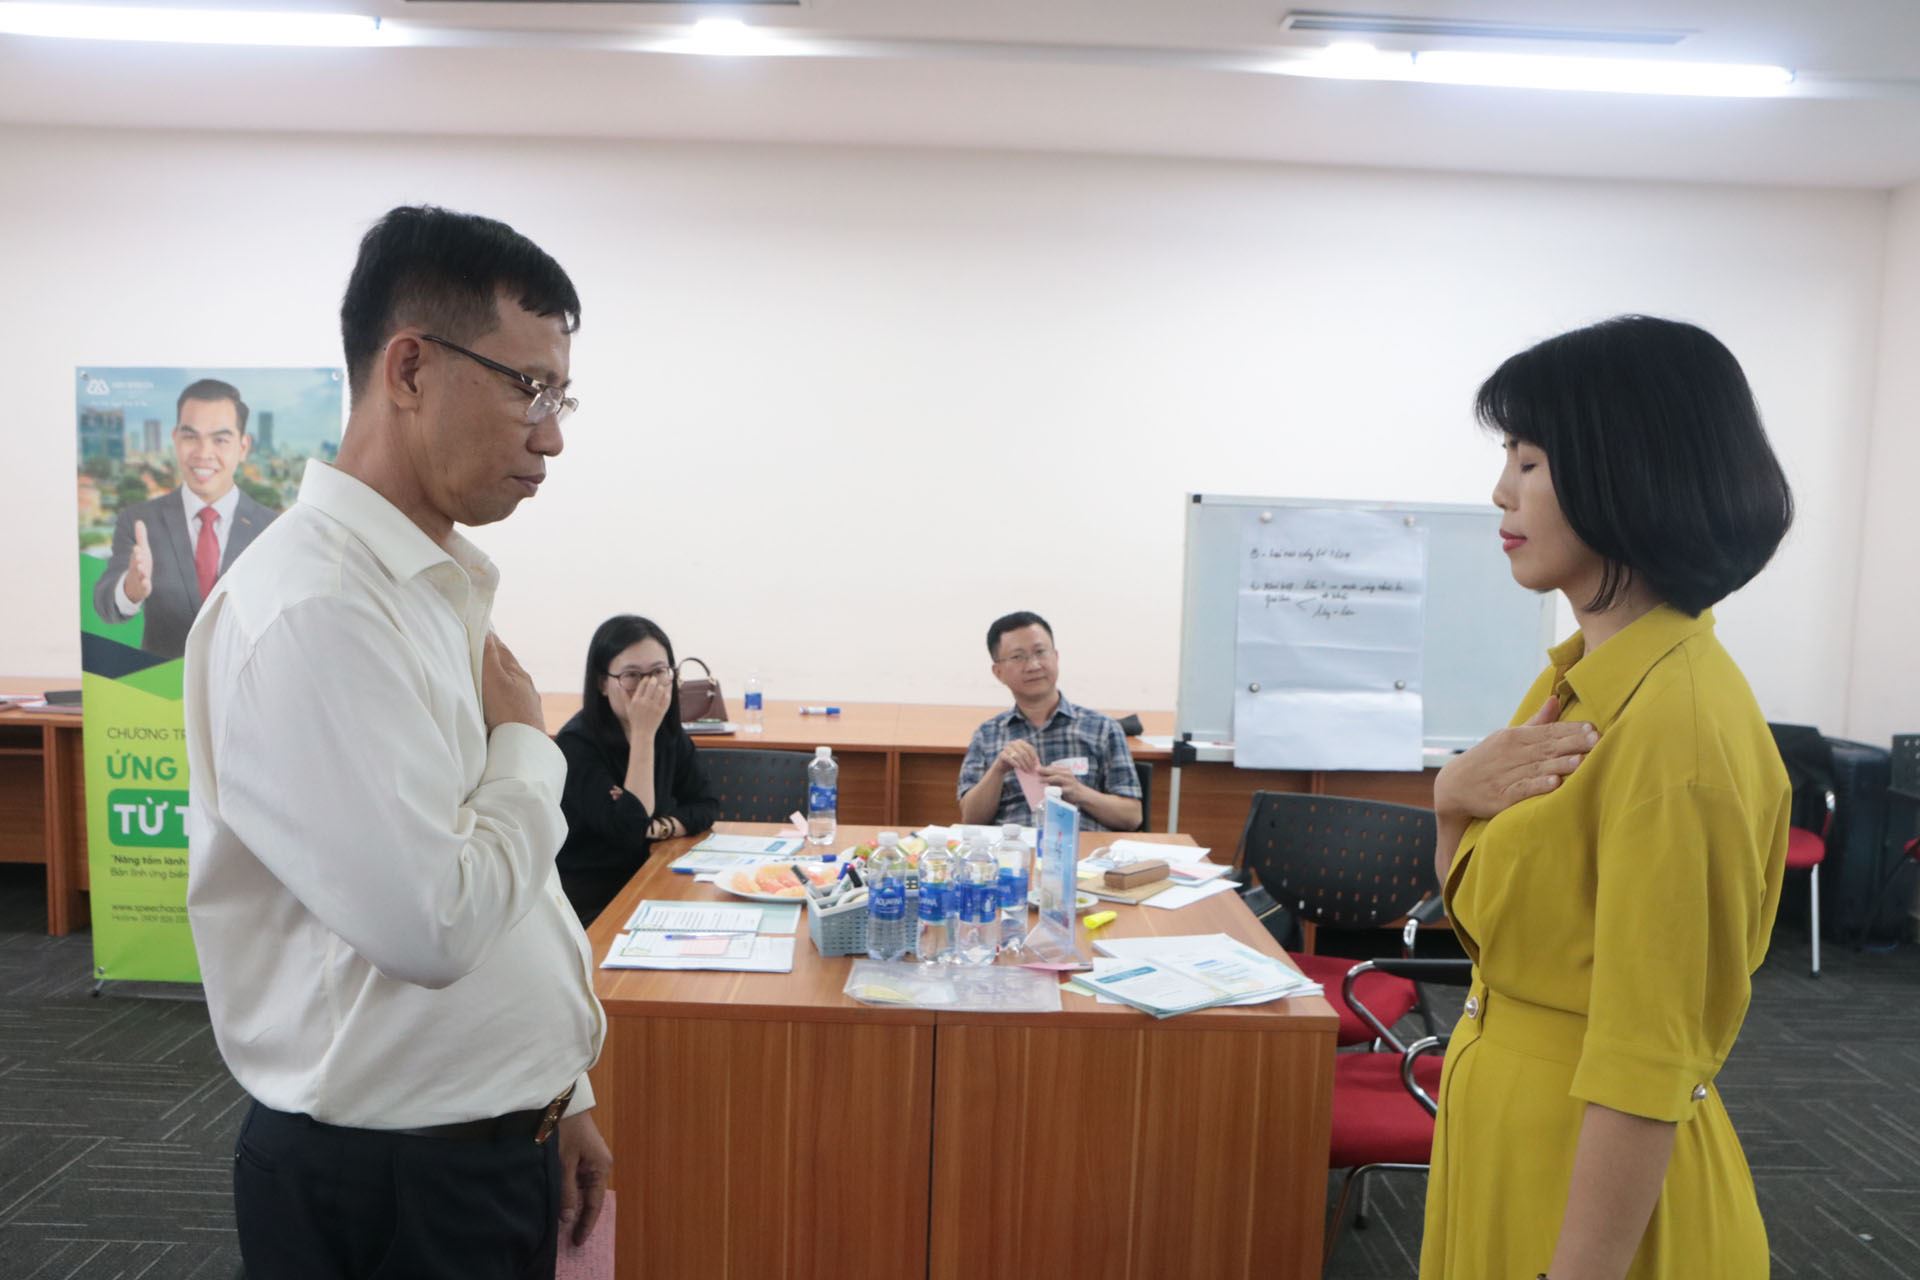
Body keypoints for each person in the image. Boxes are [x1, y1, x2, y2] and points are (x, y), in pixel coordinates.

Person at [182, 205, 610, 1280]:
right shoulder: (316, 610)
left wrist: (560, 1093)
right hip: (392, 1182)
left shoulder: (420, 586)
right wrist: (529, 747)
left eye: (559, 397)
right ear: (410, 369)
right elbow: (436, 919)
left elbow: (499, 881)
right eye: (529, 387)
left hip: (478, 1142)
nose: (551, 435)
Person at [1421, 315, 1795, 1279]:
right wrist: (1452, 801)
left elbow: (1646, 1063)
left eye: (1530, 460)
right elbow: (1498, 927)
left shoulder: (1680, 729)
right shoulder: (1576, 683)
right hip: (1509, 1136)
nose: (1501, 490)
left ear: (1627, 471)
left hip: (1591, 1196)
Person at [92, 379, 277, 659]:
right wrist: (130, 589)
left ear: (243, 446)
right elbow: (105, 603)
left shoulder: (271, 529)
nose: (203, 454)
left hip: (243, 682)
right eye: (191, 437)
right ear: (175, 438)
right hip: (163, 682)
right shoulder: (139, 521)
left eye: (220, 439)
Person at [556, 615, 720, 923]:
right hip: (595, 902)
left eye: (659, 672)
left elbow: (706, 805)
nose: (649, 686)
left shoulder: (668, 733)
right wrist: (643, 734)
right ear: (602, 683)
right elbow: (629, 830)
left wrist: (658, 827)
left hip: (655, 878)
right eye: (631, 675)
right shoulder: (576, 745)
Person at [956, 611, 1143, 832]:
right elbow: (970, 819)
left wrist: (1079, 792)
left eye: (1040, 652)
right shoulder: (987, 735)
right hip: (1012, 849)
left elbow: (1132, 817)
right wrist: (997, 770)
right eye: (1018, 657)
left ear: (1056, 657)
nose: (1033, 665)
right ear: (998, 672)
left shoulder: (1102, 728)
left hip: (1081, 848)